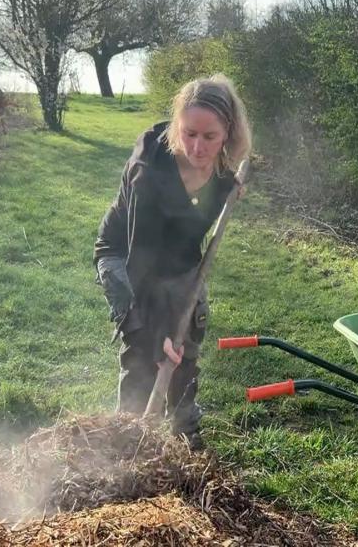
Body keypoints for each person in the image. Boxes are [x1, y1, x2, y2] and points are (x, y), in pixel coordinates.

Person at [93, 73, 251, 448]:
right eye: (188, 134)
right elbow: (141, 256)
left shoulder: (224, 170)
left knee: (185, 350)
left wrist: (228, 187)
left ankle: (185, 436)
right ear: (177, 126)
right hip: (126, 258)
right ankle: (128, 443)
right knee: (143, 351)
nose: (197, 147)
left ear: (227, 132)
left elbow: (189, 234)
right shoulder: (148, 170)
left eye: (209, 137)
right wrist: (158, 329)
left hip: (182, 264)